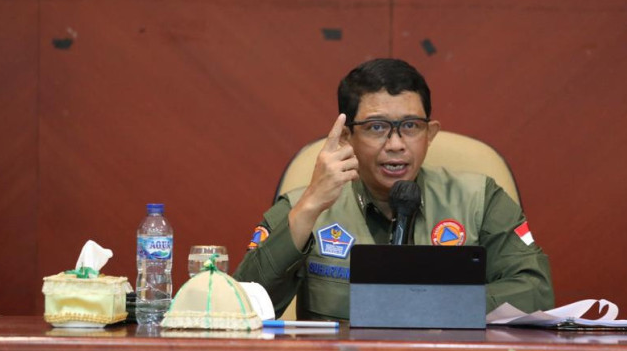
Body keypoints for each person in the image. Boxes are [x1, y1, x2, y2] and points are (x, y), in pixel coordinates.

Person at [234, 58, 554, 320]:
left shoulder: (479, 199)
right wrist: (308, 208)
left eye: (410, 127)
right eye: (377, 128)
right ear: (347, 137)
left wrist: (432, 306)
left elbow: (535, 290)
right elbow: (240, 308)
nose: (396, 145)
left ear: (430, 133)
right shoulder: (305, 205)